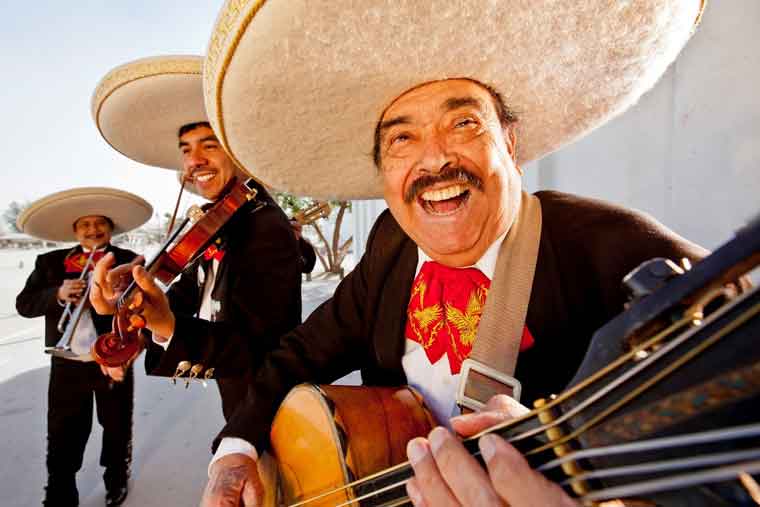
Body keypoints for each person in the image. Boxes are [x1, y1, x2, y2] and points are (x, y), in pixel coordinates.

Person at [117, 2, 709, 505]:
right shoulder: (392, 243)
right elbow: (295, 355)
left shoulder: (611, 245)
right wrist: (236, 450)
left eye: (462, 124)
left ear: (511, 141)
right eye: (402, 138)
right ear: (384, 171)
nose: (433, 161)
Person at [89, 55, 310, 421]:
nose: (195, 161)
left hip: (272, 405)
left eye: (210, 145)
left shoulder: (266, 225)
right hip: (239, 396)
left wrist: (168, 326)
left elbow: (258, 346)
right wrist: (134, 305)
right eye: (186, 149)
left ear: (238, 151)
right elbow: (184, 294)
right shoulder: (220, 221)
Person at [15, 187, 152, 506]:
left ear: (110, 227)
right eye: (85, 224)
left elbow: (142, 309)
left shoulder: (128, 261)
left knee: (116, 424)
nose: (93, 229)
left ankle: (117, 478)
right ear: (75, 230)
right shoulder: (49, 263)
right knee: (63, 431)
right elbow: (24, 304)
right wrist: (57, 294)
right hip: (67, 362)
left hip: (113, 359)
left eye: (99, 223)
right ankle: (60, 489)